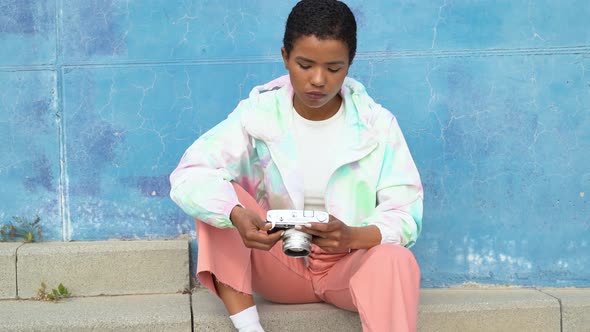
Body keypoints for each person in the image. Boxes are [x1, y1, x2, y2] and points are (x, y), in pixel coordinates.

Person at [170, 0, 423, 331]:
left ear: (350, 64)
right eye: (305, 65)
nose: (318, 80)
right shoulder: (257, 115)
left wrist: (352, 236)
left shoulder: (377, 125)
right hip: (277, 261)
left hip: (347, 267)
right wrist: (237, 216)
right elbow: (190, 175)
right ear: (285, 57)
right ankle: (249, 327)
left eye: (334, 68)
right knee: (220, 199)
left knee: (396, 259)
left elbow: (407, 214)